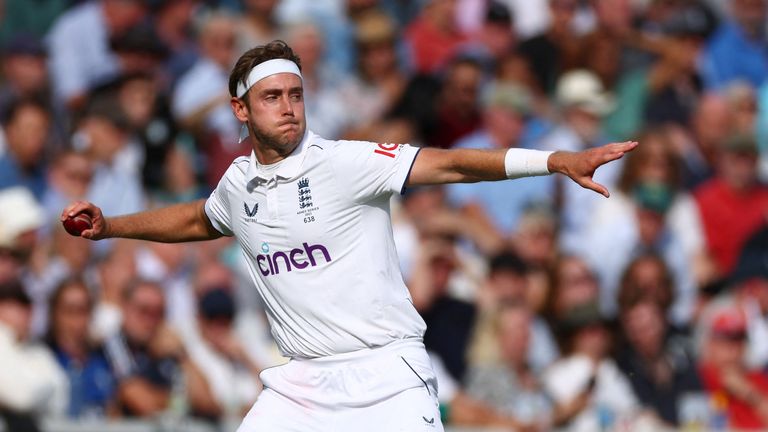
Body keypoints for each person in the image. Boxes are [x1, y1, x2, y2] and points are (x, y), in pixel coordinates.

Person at [62, 39, 637, 431]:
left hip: (387, 374)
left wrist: (553, 159)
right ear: (240, 109)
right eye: (271, 97)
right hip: (301, 383)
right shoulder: (239, 183)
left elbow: (452, 164)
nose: (289, 109)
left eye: (296, 94)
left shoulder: (346, 162)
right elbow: (198, 219)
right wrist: (112, 226)